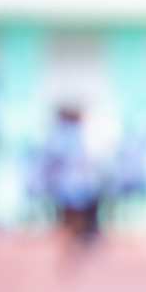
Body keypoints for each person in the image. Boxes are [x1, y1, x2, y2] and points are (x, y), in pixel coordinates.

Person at [44, 105, 100, 254]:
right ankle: (72, 240)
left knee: (73, 214)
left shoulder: (68, 134)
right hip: (71, 183)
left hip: (73, 183)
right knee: (71, 214)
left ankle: (73, 239)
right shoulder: (69, 134)